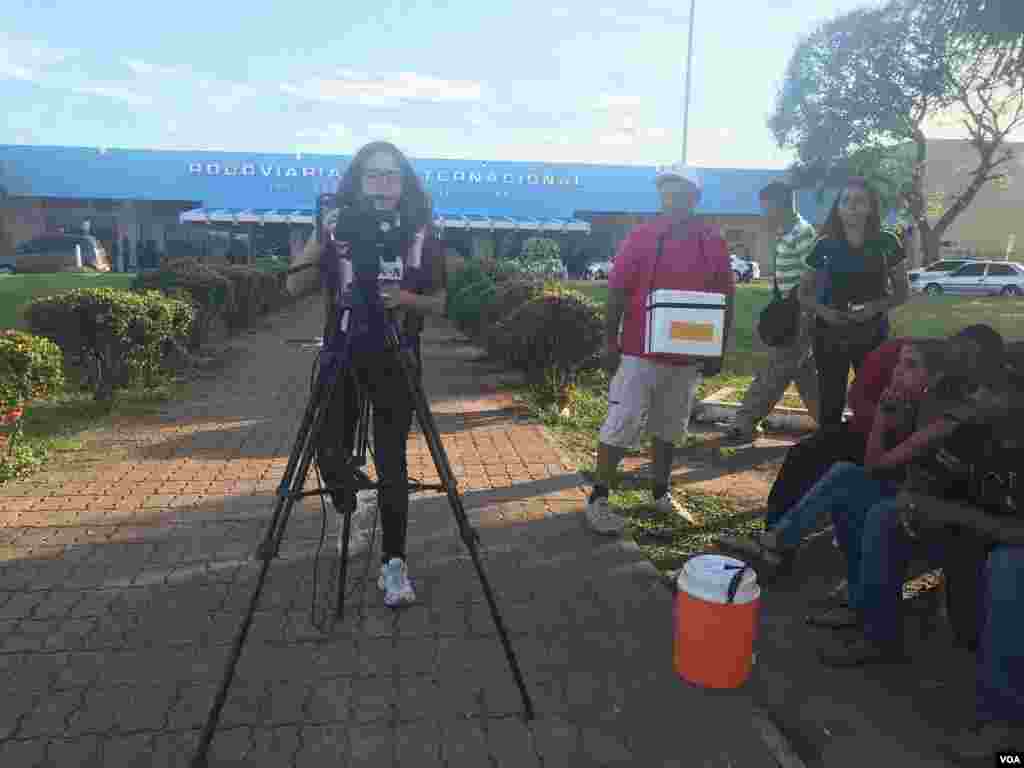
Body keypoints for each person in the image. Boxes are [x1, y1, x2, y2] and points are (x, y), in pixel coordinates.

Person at [819, 372, 1023, 762]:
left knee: (1006, 565)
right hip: (966, 534)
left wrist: (948, 513)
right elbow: (926, 481)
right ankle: (879, 634)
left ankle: (1004, 724)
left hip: (1001, 546)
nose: (978, 393)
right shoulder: (972, 431)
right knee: (885, 515)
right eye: (981, 385)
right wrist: (916, 502)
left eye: (993, 387)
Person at [288, 141, 446, 608]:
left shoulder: (421, 230)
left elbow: (440, 302)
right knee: (328, 449)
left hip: (396, 356)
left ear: (404, 183)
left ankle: (393, 562)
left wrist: (405, 299)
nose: (382, 184)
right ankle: (350, 502)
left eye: (391, 175)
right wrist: (319, 243)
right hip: (342, 351)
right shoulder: (335, 226)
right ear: (357, 182)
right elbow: (295, 285)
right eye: (373, 175)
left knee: (393, 463)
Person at [585, 163, 735, 535]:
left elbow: (725, 297)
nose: (673, 197)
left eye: (681, 190)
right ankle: (599, 498)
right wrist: (609, 341)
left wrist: (717, 349)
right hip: (639, 351)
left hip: (687, 354)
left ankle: (660, 493)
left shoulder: (711, 240)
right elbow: (617, 291)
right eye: (667, 190)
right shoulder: (641, 236)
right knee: (623, 422)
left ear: (695, 196)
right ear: (661, 195)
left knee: (670, 426)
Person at [799, 177, 910, 430]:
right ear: (838, 208)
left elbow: (903, 293)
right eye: (845, 201)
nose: (851, 206)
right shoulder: (824, 244)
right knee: (830, 398)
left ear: (871, 208)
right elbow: (803, 293)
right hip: (829, 334)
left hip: (872, 332)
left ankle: (870, 445)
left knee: (871, 396)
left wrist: (874, 308)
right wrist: (824, 312)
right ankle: (828, 444)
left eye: (859, 201)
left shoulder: (887, 242)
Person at [722, 181, 819, 443]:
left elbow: (814, 278)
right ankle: (831, 425)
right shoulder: (784, 233)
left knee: (775, 370)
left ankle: (743, 423)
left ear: (781, 205)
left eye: (767, 207)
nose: (764, 213)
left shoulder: (802, 233)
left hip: (801, 314)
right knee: (805, 373)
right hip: (790, 311)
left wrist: (803, 317)